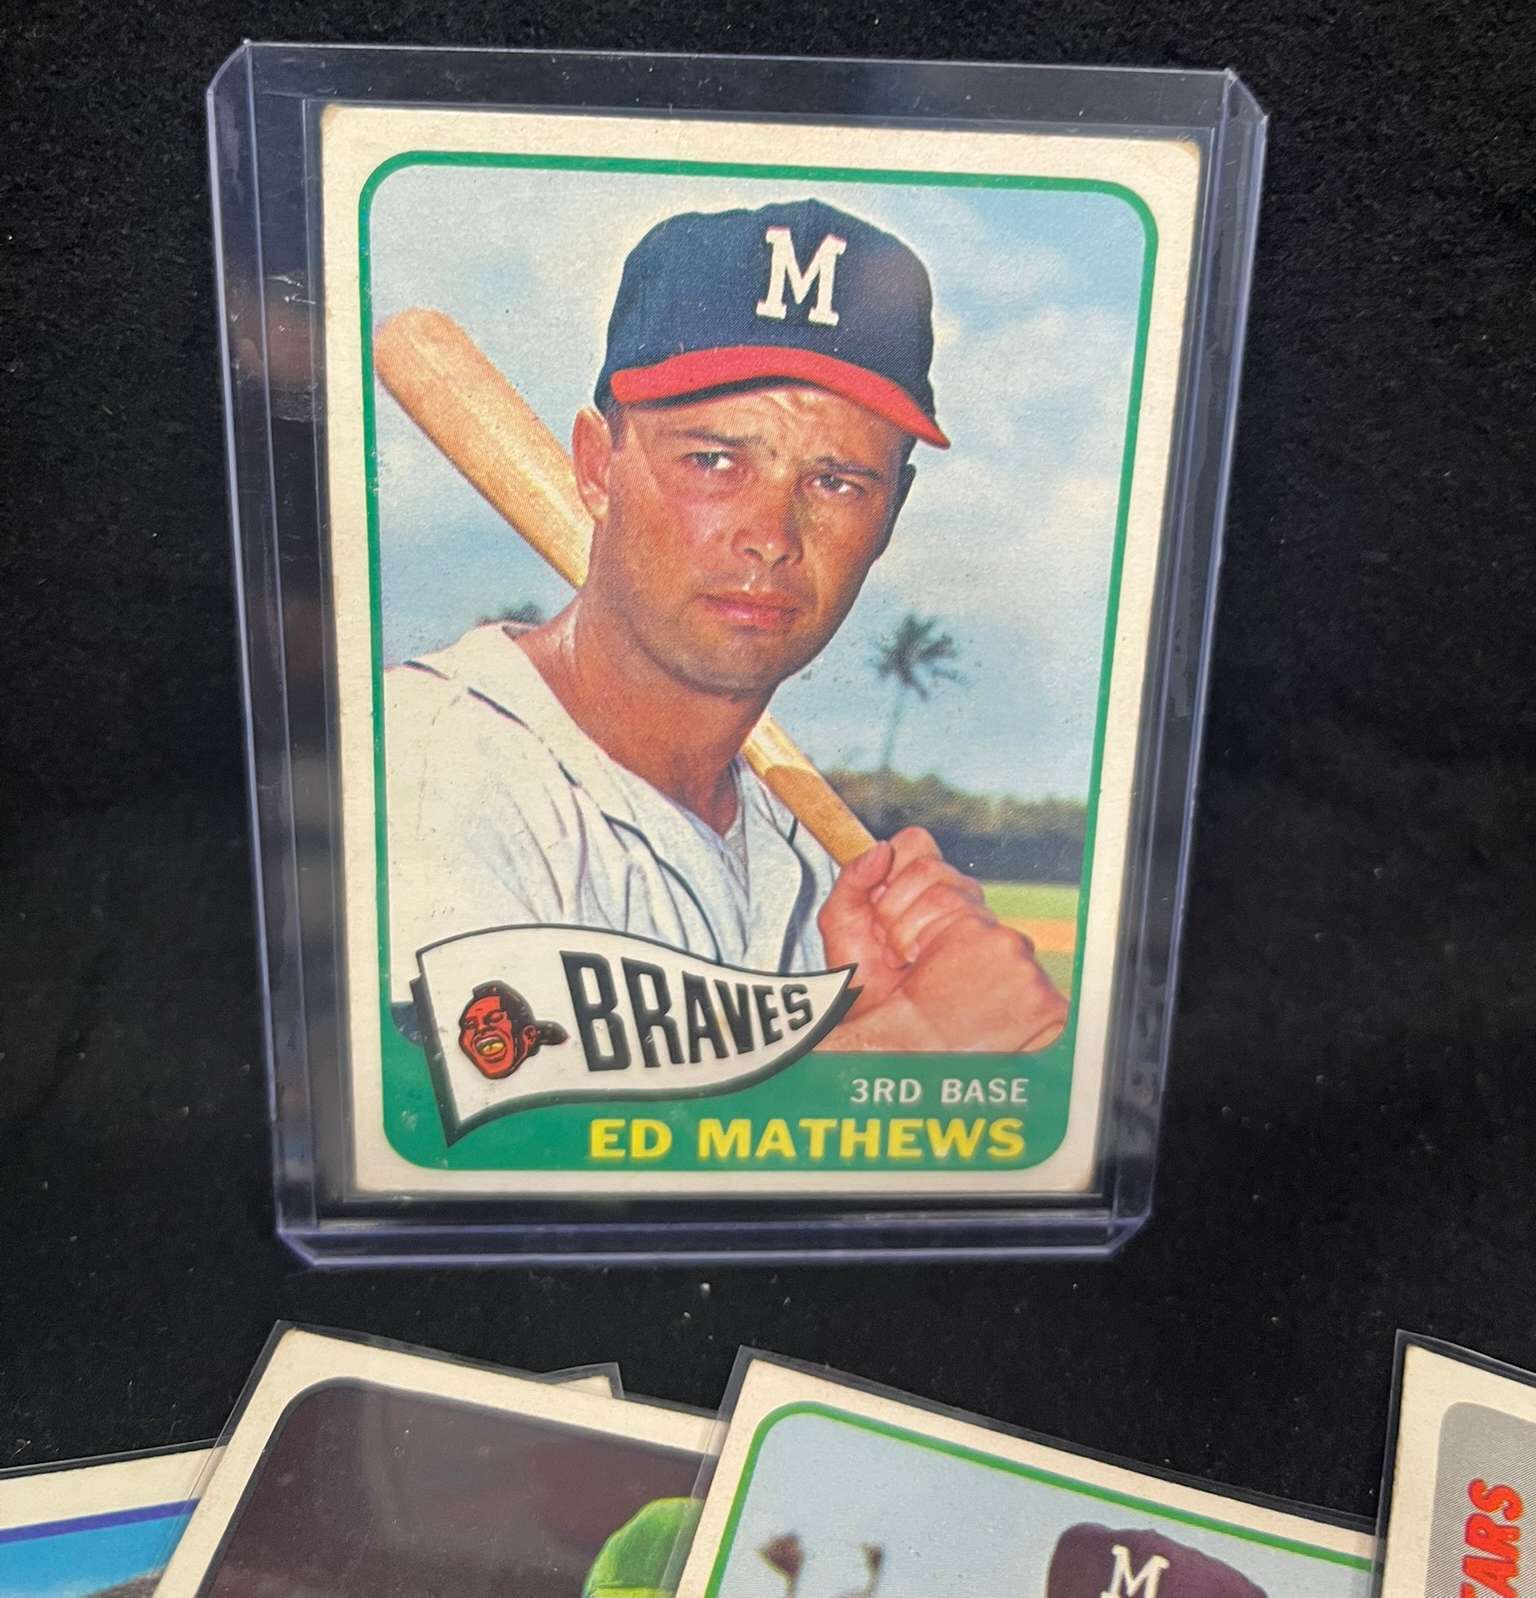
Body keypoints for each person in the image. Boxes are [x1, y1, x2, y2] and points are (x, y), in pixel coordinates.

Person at [387, 198, 1066, 1052]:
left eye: (836, 482)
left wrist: (858, 1026)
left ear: (891, 515)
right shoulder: (420, 763)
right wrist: (903, 1044)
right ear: (596, 468)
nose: (770, 536)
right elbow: (469, 1099)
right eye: (713, 461)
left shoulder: (811, 873)